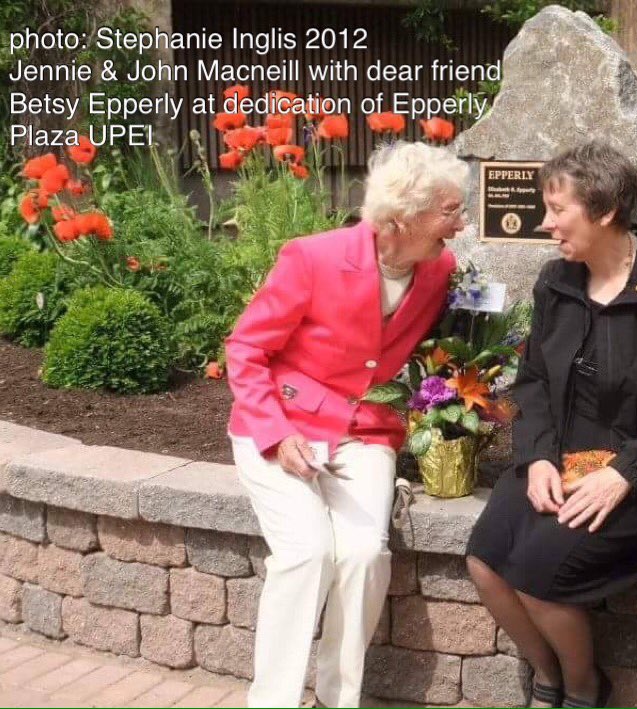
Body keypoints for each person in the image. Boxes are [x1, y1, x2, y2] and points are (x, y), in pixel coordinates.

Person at [466, 141, 637, 708]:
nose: (547, 223)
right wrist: (534, 460)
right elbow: (531, 381)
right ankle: (547, 678)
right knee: (484, 558)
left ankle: (585, 688)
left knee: (537, 573)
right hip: (562, 460)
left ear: (603, 212)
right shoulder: (557, 280)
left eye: (559, 210)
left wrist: (627, 472)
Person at [225, 141, 468, 708]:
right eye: (451, 212)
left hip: (365, 432)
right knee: (306, 553)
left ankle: (339, 700)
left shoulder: (439, 269)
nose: (460, 225)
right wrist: (277, 433)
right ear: (403, 216)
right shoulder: (312, 258)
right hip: (281, 425)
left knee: (362, 556)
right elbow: (246, 349)